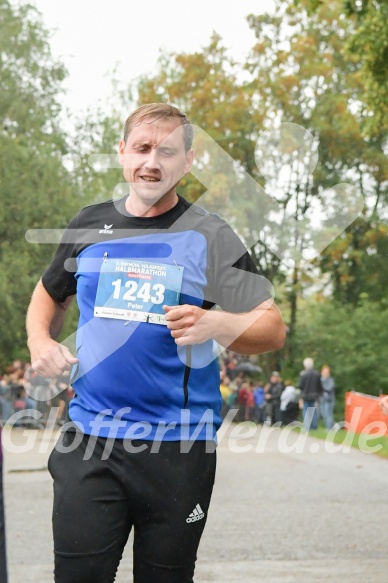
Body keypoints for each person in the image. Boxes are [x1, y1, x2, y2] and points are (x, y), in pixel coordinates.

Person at [26, 103, 285, 583]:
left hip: (178, 449)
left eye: (167, 151)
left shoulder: (211, 235)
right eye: (142, 148)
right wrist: (41, 342)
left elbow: (272, 326)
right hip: (90, 440)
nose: (152, 162)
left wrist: (219, 325)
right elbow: (48, 294)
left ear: (187, 162)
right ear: (122, 153)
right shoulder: (90, 223)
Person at [298, 357, 323, 431]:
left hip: (305, 395)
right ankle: (314, 426)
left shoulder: (303, 374)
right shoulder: (317, 374)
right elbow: (320, 385)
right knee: (313, 411)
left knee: (306, 411)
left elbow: (300, 385)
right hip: (314, 395)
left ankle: (307, 427)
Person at [319, 365, 335, 430]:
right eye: (324, 372)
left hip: (329, 400)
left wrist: (322, 385)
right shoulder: (320, 380)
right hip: (322, 399)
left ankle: (329, 428)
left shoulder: (330, 380)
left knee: (328, 414)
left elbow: (329, 388)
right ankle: (331, 427)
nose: (325, 373)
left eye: (327, 372)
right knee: (323, 414)